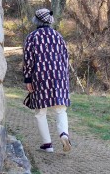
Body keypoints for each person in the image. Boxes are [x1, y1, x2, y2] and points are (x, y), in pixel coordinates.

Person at [22, 8, 72, 152]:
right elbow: (65, 59)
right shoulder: (58, 36)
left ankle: (47, 145)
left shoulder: (32, 37)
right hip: (59, 77)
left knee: (40, 112)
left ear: (36, 20)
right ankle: (63, 134)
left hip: (40, 77)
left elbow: (28, 60)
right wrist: (64, 78)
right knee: (61, 110)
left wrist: (28, 79)